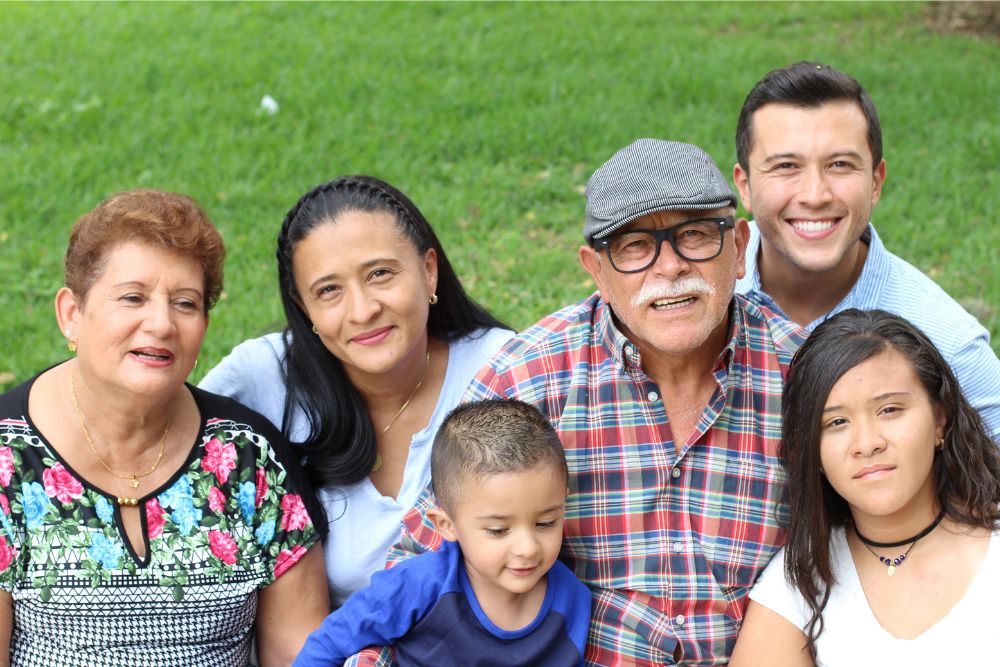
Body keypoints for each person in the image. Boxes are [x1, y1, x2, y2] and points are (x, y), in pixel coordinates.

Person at [345, 139, 808, 666]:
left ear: (740, 244)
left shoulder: (804, 375)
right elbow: (420, 566)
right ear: (596, 268)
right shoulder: (531, 379)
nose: (671, 266)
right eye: (635, 246)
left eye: (695, 234)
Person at [0, 189, 329, 666]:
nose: (161, 324)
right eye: (133, 297)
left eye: (186, 304)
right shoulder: (7, 459)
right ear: (72, 314)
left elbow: (302, 655)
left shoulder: (248, 458)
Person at [199, 175, 513, 607]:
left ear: (429, 271)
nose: (363, 310)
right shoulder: (264, 377)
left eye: (380, 274)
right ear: (302, 306)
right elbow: (151, 431)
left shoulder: (501, 371)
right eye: (328, 291)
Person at [732, 61, 1000, 439]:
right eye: (786, 166)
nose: (815, 195)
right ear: (744, 185)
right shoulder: (698, 293)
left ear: (876, 182)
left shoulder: (947, 344)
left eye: (840, 165)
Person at [730, 309, 1000, 666]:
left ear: (939, 419)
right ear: (813, 451)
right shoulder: (798, 581)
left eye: (889, 410)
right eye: (837, 422)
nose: (867, 443)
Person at [293, 399, 591, 666]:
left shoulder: (571, 601)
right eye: (498, 530)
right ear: (446, 525)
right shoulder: (417, 587)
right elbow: (328, 643)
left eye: (546, 523)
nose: (527, 548)